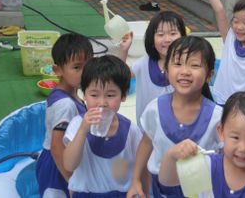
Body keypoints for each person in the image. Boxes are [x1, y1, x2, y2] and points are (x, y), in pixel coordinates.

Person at [127, 36, 223, 198]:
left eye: (194, 65)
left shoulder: (217, 116)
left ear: (209, 75)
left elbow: (223, 157)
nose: (184, 71)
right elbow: (146, 144)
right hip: (163, 188)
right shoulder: (154, 109)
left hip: (203, 188)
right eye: (177, 64)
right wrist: (136, 180)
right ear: (167, 69)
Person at [159, 90, 245, 197]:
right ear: (221, 132)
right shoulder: (206, 166)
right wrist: (171, 155)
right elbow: (167, 181)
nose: (243, 148)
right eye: (236, 137)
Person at [63, 55, 144, 197]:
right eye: (94, 95)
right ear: (84, 95)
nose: (102, 103)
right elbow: (69, 165)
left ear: (124, 95)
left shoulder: (131, 131)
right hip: (86, 193)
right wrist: (83, 131)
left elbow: (141, 167)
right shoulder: (77, 125)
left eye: (110, 95)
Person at [35, 33, 93, 198]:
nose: (84, 72)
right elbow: (56, 146)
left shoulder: (72, 92)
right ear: (57, 70)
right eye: (77, 67)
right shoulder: (65, 104)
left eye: (88, 65)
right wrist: (70, 179)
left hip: (63, 160)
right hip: (57, 166)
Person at [119, 11, 186, 125]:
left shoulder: (186, 65)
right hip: (146, 131)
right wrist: (124, 50)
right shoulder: (145, 63)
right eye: (160, 34)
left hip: (175, 130)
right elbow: (120, 75)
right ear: (152, 40)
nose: (167, 39)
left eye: (173, 33)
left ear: (182, 36)